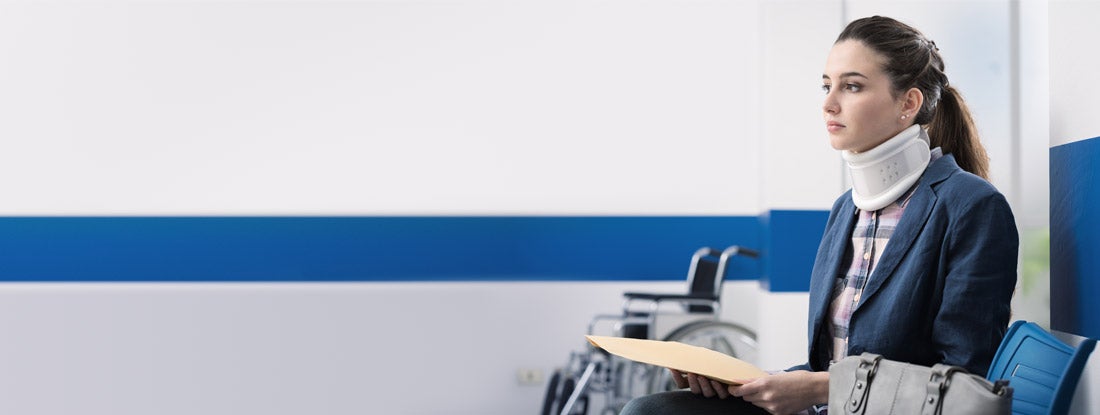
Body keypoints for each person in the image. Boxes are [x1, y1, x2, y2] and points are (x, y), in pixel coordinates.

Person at [620, 15, 1018, 415]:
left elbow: (966, 383)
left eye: (852, 86)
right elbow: (824, 368)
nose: (828, 103)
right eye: (827, 86)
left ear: (908, 103)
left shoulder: (973, 206)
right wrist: (752, 383)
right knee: (650, 409)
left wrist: (819, 388)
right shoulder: (846, 209)